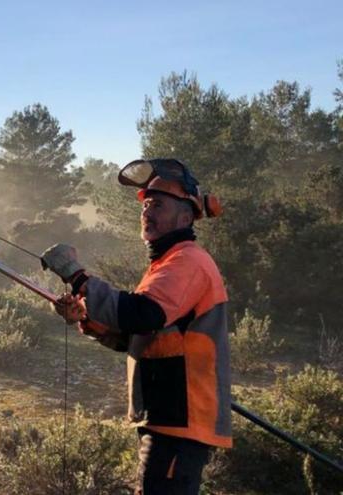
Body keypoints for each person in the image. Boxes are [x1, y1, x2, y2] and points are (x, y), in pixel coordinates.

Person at [41, 158, 229, 495]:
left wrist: (77, 276)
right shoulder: (167, 264)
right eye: (145, 204)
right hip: (167, 418)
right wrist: (86, 317)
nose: (147, 211)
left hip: (181, 423)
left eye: (158, 204)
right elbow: (139, 336)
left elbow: (142, 315)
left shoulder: (188, 261)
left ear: (186, 216)